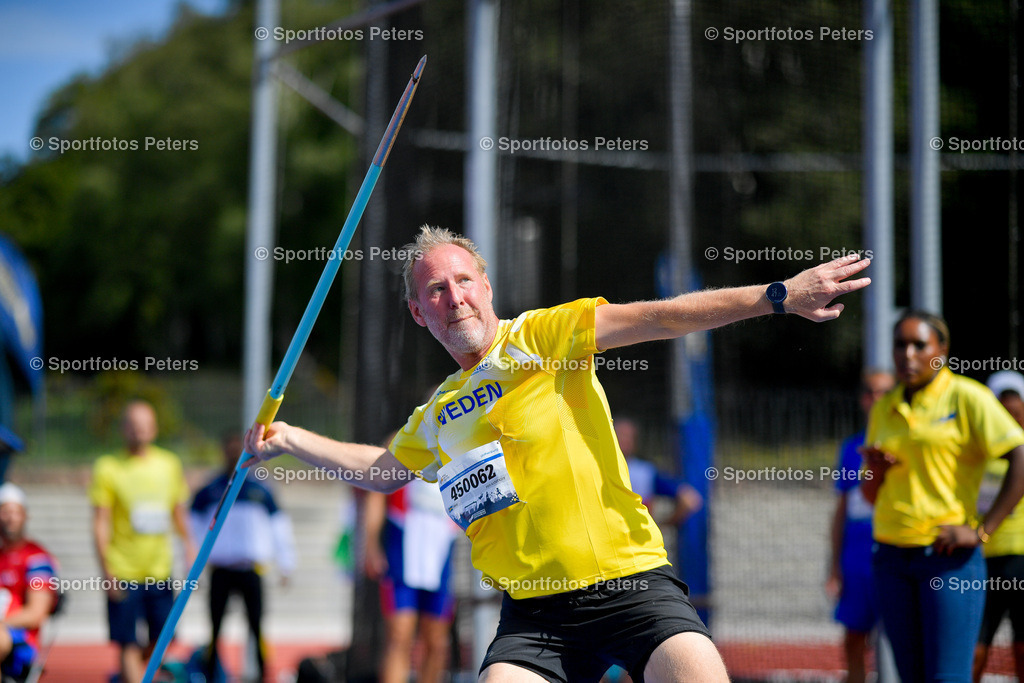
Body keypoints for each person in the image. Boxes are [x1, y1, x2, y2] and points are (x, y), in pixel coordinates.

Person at [244, 225, 871, 682]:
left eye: (464, 280)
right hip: (536, 616)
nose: (454, 296)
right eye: (436, 290)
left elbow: (663, 317)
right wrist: (289, 438)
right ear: (417, 312)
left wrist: (779, 295)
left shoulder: (544, 336)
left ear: (487, 287)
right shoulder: (435, 411)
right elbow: (382, 471)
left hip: (630, 583)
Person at [861, 311, 1024, 683]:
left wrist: (983, 531)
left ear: (943, 350)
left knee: (948, 677)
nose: (908, 354)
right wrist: (877, 472)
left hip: (947, 559)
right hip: (890, 558)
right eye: (900, 345)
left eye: (920, 344)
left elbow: (1021, 455)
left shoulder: (968, 396)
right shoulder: (884, 407)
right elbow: (869, 495)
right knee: (911, 677)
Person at [90, 400, 196, 683]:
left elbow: (179, 513)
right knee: (126, 641)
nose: (140, 432)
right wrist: (106, 569)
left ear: (155, 428)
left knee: (164, 637)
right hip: (123, 569)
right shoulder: (108, 466)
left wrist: (190, 547)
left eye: (145, 426)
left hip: (159, 569)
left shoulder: (169, 464)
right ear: (124, 428)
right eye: (134, 426)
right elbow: (100, 521)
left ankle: (131, 676)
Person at [190, 431, 296, 682]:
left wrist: (286, 563)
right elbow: (192, 529)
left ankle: (261, 676)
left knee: (256, 627)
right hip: (221, 570)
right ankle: (211, 675)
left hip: (251, 570)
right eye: (229, 450)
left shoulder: (261, 490)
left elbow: (279, 526)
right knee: (215, 629)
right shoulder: (210, 491)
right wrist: (191, 566)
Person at [825, 370, 894, 683]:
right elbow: (841, 511)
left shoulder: (908, 442)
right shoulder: (850, 448)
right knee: (854, 638)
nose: (876, 398)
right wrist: (834, 566)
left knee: (903, 639)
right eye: (870, 391)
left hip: (896, 551)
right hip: (856, 558)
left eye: (883, 391)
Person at [363, 471, 460, 683]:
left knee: (436, 641)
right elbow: (377, 492)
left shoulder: (461, 442)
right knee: (399, 636)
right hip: (401, 555)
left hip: (441, 555)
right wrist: (371, 543)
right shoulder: (398, 441)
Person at [973, 370, 1024, 682]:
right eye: (1001, 401)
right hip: (984, 561)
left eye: (1014, 399)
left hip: (1020, 559)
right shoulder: (979, 453)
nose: (1008, 406)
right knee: (975, 650)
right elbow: (978, 505)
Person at [0, 483, 57, 681]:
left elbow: (35, 613)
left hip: (20, 641)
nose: (10, 517)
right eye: (5, 511)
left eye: (16, 512)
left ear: (25, 516)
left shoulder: (36, 558)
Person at [614, 417, 703, 526]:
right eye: (620, 435)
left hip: (635, 538)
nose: (624, 440)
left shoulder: (645, 472)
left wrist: (662, 525)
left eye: (627, 436)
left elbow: (690, 499)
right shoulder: (598, 468)